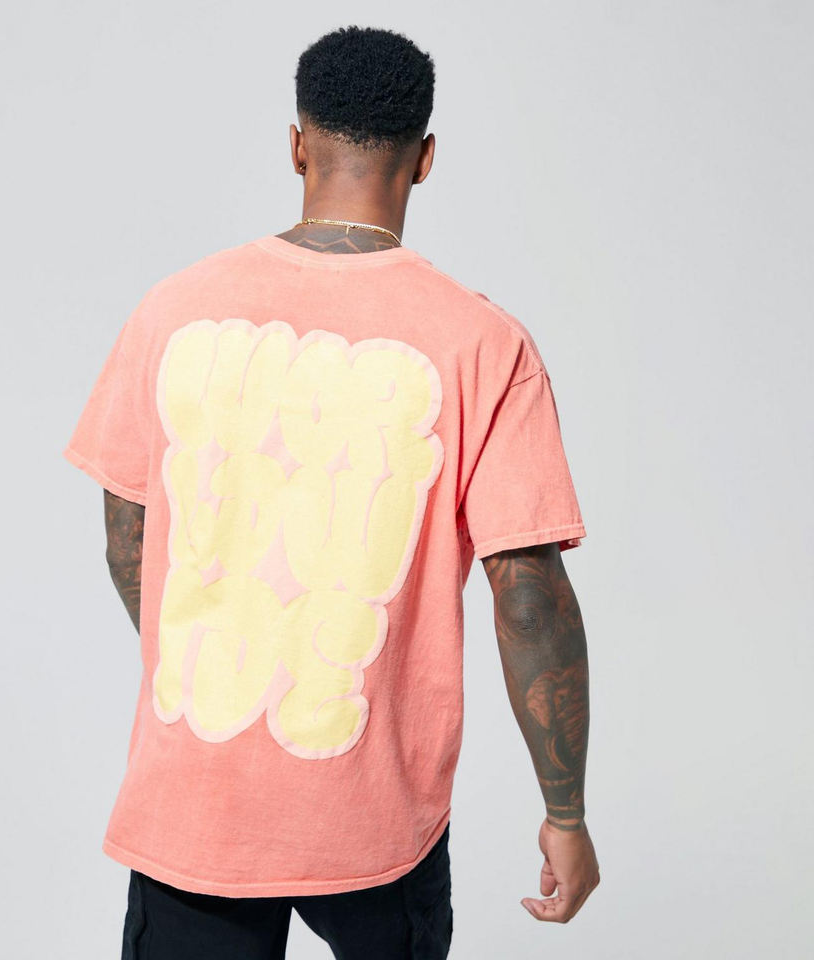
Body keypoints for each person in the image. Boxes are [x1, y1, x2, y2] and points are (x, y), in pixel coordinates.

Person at [62, 23, 599, 960]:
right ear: (424, 159)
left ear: (297, 145)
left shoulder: (174, 308)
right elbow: (529, 595)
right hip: (377, 817)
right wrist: (566, 813)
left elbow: (127, 539)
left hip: (196, 805)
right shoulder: (484, 343)